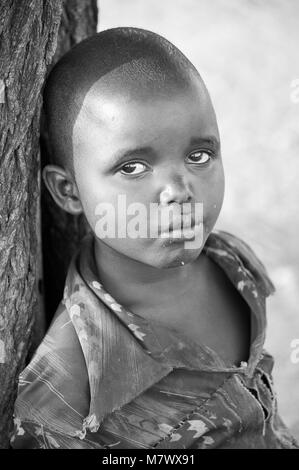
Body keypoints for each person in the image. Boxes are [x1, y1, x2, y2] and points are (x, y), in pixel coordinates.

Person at [10, 27, 298, 449]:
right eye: (133, 168)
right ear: (69, 191)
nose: (179, 190)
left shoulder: (232, 263)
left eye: (199, 156)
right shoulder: (70, 390)